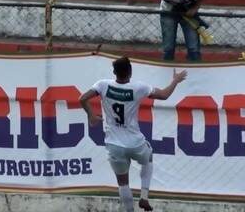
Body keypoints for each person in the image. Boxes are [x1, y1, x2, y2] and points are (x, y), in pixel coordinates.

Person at [79, 57, 187, 211]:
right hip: (135, 142)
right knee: (148, 157)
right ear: (130, 72)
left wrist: (90, 114)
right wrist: (175, 81)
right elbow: (164, 95)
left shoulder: (103, 85)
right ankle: (144, 196)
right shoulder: (138, 88)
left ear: (114, 72)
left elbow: (82, 99)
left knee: (123, 183)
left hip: (114, 144)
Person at [126, 0, 207, 61]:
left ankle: (194, 69)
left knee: (193, 48)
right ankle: (167, 70)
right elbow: (131, 2)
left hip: (188, 12)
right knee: (168, 48)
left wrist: (196, 7)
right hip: (168, 12)